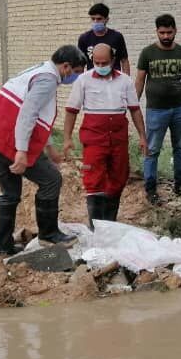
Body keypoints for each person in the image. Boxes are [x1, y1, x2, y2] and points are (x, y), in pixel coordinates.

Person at [0, 45, 85, 254]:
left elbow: (37, 114)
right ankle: (49, 235)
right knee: (51, 180)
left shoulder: (41, 70)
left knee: (10, 194)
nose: (75, 77)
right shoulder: (47, 80)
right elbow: (28, 114)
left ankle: (3, 247)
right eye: (76, 72)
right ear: (66, 67)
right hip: (8, 139)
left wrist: (49, 148)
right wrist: (21, 151)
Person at [61, 44, 148, 228]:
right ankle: (96, 227)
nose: (101, 66)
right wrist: (67, 138)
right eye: (97, 62)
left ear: (113, 61)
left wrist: (142, 136)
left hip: (118, 138)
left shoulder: (125, 81)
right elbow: (71, 111)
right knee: (94, 178)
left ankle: (110, 225)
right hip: (94, 139)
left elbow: (135, 110)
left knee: (118, 177)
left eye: (105, 62)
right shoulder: (83, 80)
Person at [136, 14, 181, 203]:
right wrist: (133, 104)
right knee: (152, 150)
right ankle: (150, 188)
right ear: (157, 32)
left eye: (169, 32)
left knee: (180, 148)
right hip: (156, 110)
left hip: (180, 108)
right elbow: (139, 80)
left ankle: (180, 185)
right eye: (162, 32)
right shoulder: (147, 53)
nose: (166, 36)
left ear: (175, 30)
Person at [77, 3, 130, 74]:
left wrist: (126, 81)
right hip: (93, 80)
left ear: (106, 19)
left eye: (99, 19)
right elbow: (80, 65)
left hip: (114, 80)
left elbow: (124, 60)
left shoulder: (117, 37)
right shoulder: (84, 38)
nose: (95, 22)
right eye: (93, 19)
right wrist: (80, 83)